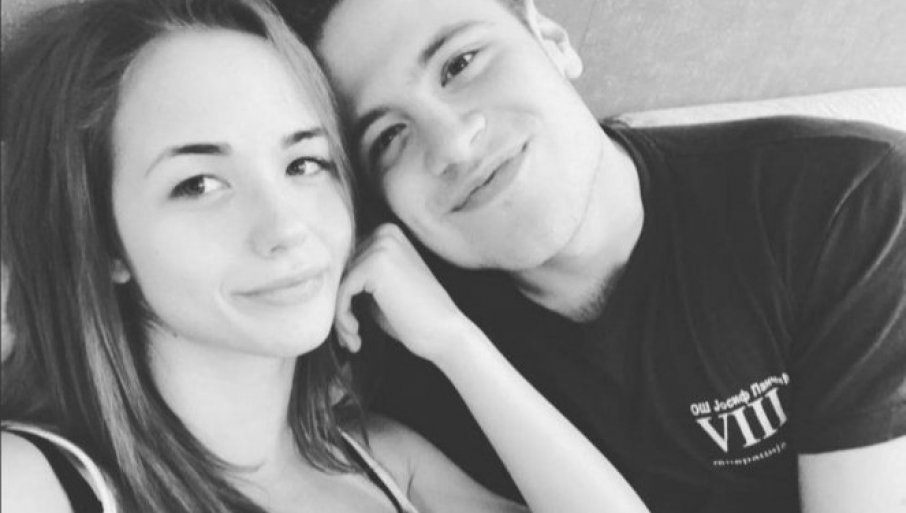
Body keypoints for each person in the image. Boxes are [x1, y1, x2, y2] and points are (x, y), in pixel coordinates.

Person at [0, 0, 651, 512]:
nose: (286, 226)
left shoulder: (379, 459)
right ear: (103, 239)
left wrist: (456, 342)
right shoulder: (36, 483)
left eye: (304, 163)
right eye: (198, 184)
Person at [273, 0, 906, 512]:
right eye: (389, 135)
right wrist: (456, 346)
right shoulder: (404, 350)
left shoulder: (842, 199)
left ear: (551, 39)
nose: (454, 146)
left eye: (460, 63)